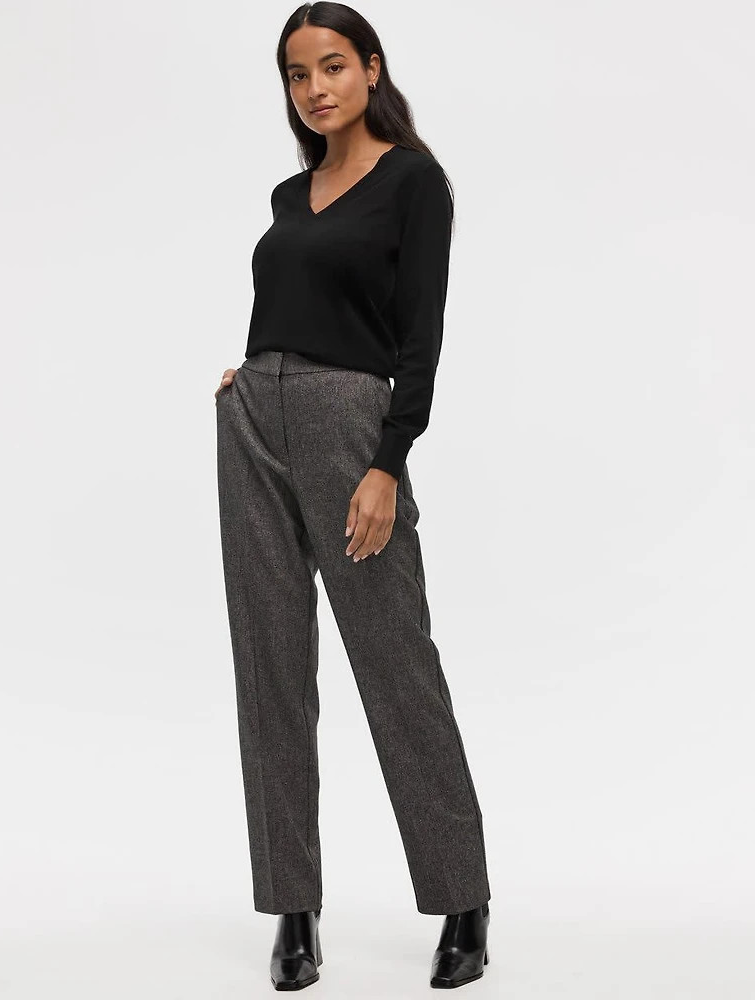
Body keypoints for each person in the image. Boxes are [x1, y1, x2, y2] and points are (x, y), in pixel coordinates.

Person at [214, 2, 491, 990]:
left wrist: (386, 460)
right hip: (254, 418)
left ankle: (462, 898)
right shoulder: (290, 195)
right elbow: (288, 303)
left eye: (332, 65)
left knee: (395, 660)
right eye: (297, 74)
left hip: (350, 424)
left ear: (371, 68)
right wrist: (250, 375)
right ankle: (293, 909)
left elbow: (420, 336)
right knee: (269, 666)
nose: (315, 87)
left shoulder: (413, 182)